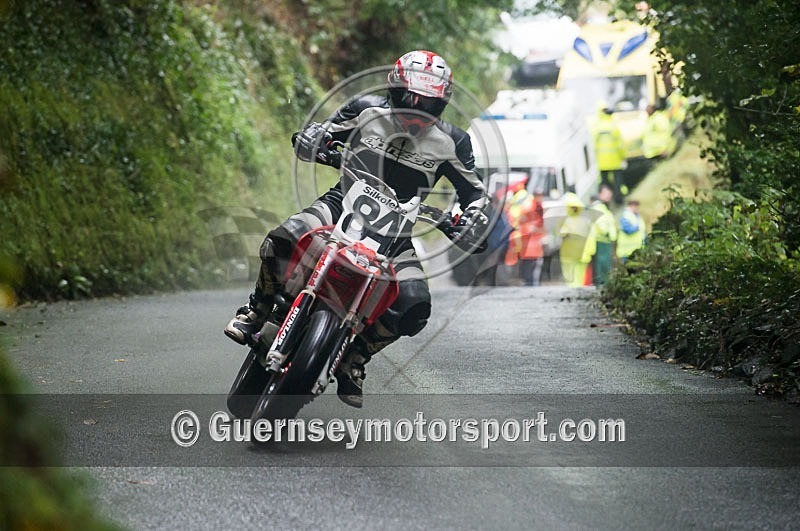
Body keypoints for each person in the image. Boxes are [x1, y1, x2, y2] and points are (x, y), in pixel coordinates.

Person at [224, 50, 488, 408]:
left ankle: (356, 357)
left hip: (396, 233)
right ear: (393, 91)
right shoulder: (365, 108)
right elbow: (320, 134)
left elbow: (475, 193)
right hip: (341, 203)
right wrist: (314, 142)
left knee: (414, 305)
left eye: (428, 105)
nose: (415, 112)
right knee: (282, 239)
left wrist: (470, 218)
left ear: (442, 104)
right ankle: (257, 309)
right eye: (409, 100)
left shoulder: (454, 142)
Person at [591, 103, 628, 205]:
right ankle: (618, 201)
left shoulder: (595, 127)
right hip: (615, 160)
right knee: (617, 182)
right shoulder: (613, 126)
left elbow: (593, 146)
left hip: (602, 162)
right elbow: (620, 144)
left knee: (605, 183)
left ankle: (606, 202)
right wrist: (623, 156)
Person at [558, 193, 595, 288]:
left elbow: (563, 233)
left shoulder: (567, 219)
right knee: (579, 272)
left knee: (570, 272)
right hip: (583, 251)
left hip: (570, 252)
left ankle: (573, 287)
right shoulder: (585, 218)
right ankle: (577, 287)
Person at [589, 185, 617, 286]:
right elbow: (601, 223)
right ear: (600, 194)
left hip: (605, 239)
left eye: (610, 193)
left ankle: (603, 283)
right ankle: (602, 283)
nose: (609, 195)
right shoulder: (600, 207)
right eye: (606, 193)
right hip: (602, 239)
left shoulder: (604, 207)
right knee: (602, 264)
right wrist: (607, 232)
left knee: (604, 264)